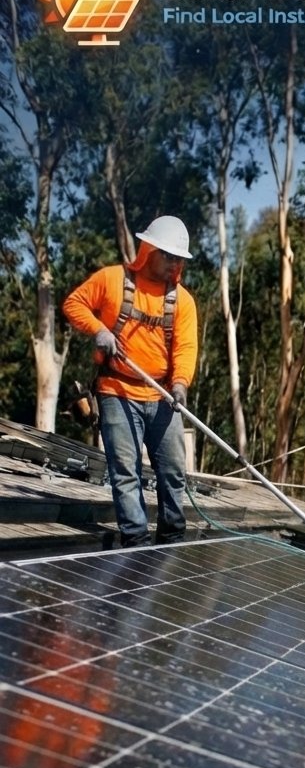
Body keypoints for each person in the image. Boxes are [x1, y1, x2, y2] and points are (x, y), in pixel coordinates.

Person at [63, 216, 198, 547]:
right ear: (148, 250)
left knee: (172, 473)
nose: (174, 263)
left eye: (179, 258)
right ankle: (137, 544)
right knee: (126, 471)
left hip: (163, 396)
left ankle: (171, 540)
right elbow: (73, 304)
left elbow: (185, 347)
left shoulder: (182, 301)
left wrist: (180, 384)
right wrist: (99, 330)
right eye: (168, 255)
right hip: (117, 391)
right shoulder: (111, 280)